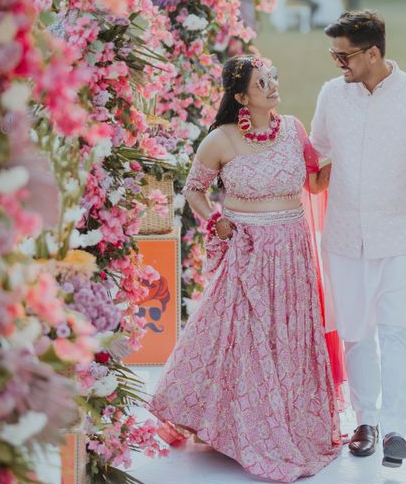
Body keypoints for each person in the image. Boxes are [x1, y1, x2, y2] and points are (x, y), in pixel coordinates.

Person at [147, 55, 345, 483]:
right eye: (261, 83)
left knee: (286, 337)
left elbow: (313, 183)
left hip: (292, 251)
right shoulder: (220, 139)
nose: (272, 86)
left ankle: (291, 422)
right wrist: (214, 219)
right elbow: (194, 190)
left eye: (273, 77)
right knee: (245, 339)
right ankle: (243, 428)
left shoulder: (293, 129)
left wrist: (347, 152)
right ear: (241, 96)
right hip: (247, 251)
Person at [310, 9, 406, 468]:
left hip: (402, 238)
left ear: (373, 53)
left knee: (395, 334)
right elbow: (319, 155)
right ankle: (365, 421)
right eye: (334, 55)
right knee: (356, 335)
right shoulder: (331, 96)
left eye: (345, 55)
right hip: (345, 237)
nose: (338, 64)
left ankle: (395, 430)